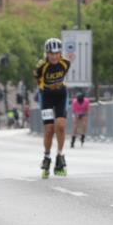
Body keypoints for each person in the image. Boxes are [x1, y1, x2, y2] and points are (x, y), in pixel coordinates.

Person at [33, 38, 74, 177]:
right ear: (47, 53)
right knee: (49, 129)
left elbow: (64, 75)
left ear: (60, 53)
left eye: (57, 53)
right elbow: (37, 79)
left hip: (61, 95)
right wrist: (44, 88)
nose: (54, 56)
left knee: (61, 126)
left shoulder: (66, 63)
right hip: (46, 96)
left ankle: (60, 155)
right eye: (51, 53)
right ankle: (47, 156)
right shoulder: (41, 66)